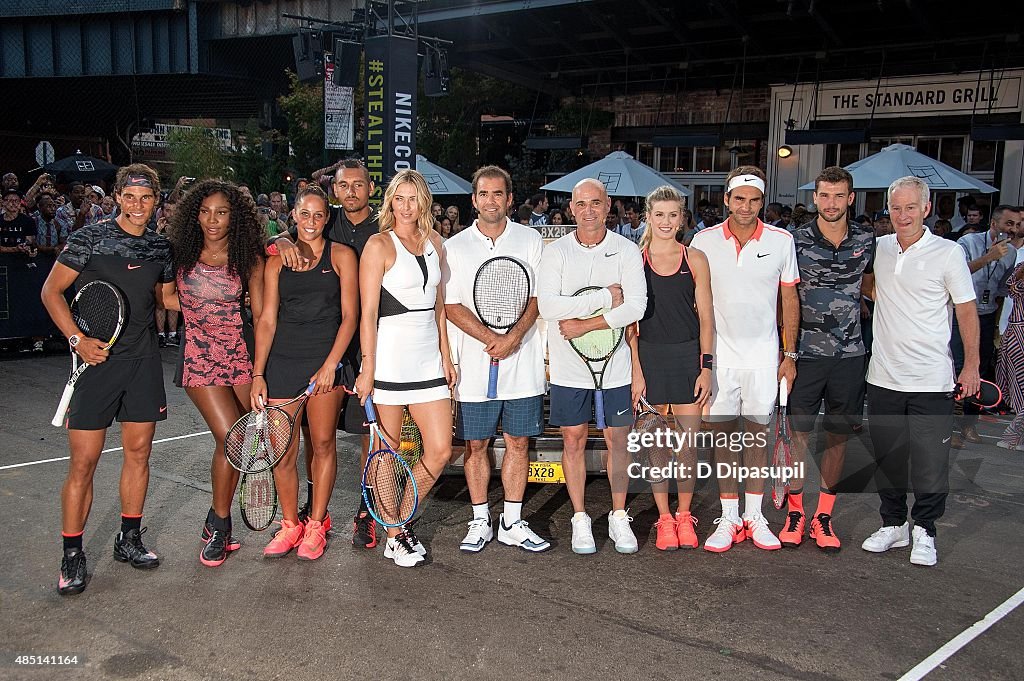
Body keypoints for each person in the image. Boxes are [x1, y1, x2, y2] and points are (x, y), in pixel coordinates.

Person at [40, 164, 175, 596]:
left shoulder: (160, 247)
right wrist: (77, 339)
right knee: (83, 463)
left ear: (157, 200)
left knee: (138, 455)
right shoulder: (89, 238)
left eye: (147, 197)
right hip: (95, 363)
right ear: (118, 196)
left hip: (143, 362)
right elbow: (50, 292)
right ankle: (72, 556)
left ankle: (129, 539)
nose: (138, 205)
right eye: (130, 197)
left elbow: (168, 298)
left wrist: (225, 292)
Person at [861, 176, 979, 567]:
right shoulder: (878, 249)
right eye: (896, 208)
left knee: (930, 462)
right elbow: (867, 286)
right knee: (888, 458)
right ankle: (894, 524)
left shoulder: (948, 253)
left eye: (911, 207)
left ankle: (925, 529)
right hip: (882, 377)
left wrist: (972, 365)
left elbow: (965, 310)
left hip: (932, 379)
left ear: (926, 209)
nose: (903, 215)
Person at [689, 166, 800, 553]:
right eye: (739, 199)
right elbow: (696, 302)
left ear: (762, 202)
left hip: (763, 358)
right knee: (722, 439)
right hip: (719, 360)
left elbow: (789, 300)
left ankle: (755, 515)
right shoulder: (702, 241)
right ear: (727, 199)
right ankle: (729, 515)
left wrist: (789, 354)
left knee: (755, 437)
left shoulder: (782, 241)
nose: (746, 207)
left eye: (754, 200)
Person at [270, 159, 379, 549]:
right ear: (335, 190)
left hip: (372, 338)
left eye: (358, 185)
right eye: (344, 186)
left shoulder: (383, 225)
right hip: (323, 343)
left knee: (369, 431)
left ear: (370, 188)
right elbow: (295, 231)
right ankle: (311, 511)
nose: (351, 192)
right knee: (310, 436)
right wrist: (280, 240)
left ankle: (366, 511)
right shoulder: (325, 219)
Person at [443, 165, 550, 554]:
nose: (491, 201)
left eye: (498, 194)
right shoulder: (454, 247)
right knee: (476, 445)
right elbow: (451, 305)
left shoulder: (531, 239)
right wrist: (492, 338)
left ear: (509, 199)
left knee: (518, 442)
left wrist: (515, 337)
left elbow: (539, 296)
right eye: (484, 194)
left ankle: (512, 521)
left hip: (523, 365)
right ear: (474, 200)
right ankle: (479, 520)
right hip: (474, 366)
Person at [537, 178, 647, 554]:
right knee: (573, 439)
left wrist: (587, 322)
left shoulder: (627, 251)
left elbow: (636, 306)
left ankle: (618, 516)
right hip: (570, 370)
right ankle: (580, 518)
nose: (588, 210)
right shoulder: (556, 252)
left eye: (596, 203)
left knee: (619, 440)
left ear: (608, 205)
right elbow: (549, 307)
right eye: (581, 204)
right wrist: (604, 297)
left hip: (615, 368)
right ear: (571, 208)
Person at [354, 169, 457, 567]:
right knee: (386, 451)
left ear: (423, 202)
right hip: (390, 360)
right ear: (391, 202)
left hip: (429, 359)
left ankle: (397, 516)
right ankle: (395, 535)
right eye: (400, 198)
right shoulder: (379, 245)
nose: (407, 206)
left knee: (441, 449)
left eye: (413, 198)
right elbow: (367, 315)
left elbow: (439, 308)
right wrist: (367, 367)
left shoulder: (435, 242)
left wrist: (447, 357)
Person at [251, 185, 359, 561]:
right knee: (282, 452)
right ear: (293, 215)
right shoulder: (277, 260)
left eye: (318, 215)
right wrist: (258, 373)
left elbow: (350, 317)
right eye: (305, 213)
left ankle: (316, 523)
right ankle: (289, 525)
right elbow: (266, 320)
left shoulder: (342, 256)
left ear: (326, 218)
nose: (311, 221)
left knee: (324, 443)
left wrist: (332, 364)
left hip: (324, 363)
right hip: (282, 363)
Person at [167, 180, 266, 566]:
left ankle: (213, 518)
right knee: (231, 437)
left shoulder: (248, 256)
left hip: (240, 355)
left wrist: (259, 371)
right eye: (205, 211)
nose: (212, 219)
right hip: (199, 358)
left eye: (221, 212)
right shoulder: (178, 253)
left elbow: (259, 316)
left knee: (240, 446)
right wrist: (197, 308)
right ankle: (222, 526)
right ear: (195, 214)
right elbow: (162, 296)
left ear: (234, 217)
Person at [783, 166, 874, 553]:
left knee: (838, 436)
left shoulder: (869, 241)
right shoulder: (794, 241)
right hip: (804, 354)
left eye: (839, 195)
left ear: (850, 198)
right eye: (824, 195)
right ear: (815, 197)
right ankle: (794, 512)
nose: (831, 202)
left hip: (850, 355)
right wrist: (784, 351)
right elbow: (782, 298)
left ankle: (823, 515)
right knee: (798, 436)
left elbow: (876, 287)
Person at [627, 186, 714, 551]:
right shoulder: (635, 260)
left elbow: (707, 320)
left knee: (688, 446)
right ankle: (664, 518)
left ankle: (683, 514)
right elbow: (630, 324)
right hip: (649, 358)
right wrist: (636, 370)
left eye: (673, 215)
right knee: (658, 446)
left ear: (682, 218)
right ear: (648, 216)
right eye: (659, 214)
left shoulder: (695, 259)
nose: (666, 222)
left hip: (686, 359)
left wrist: (706, 367)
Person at [951, 205, 1019, 447]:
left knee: (978, 370)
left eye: (1017, 225)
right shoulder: (967, 242)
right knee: (959, 367)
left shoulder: (1011, 253)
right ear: (994, 223)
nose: (1013, 229)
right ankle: (950, 426)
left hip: (987, 315)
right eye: (1009, 223)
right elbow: (957, 272)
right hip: (961, 313)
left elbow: (1002, 289)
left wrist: (999, 323)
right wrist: (988, 257)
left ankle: (968, 425)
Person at [997, 261, 1024, 449]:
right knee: (1019, 390)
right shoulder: (1020, 268)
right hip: (1018, 336)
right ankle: (1014, 436)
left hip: (1017, 334)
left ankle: (1014, 436)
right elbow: (1013, 288)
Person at [155, 199, 181, 348]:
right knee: (160, 302)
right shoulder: (154, 226)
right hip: (160, 268)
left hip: (176, 266)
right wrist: (159, 231)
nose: (170, 214)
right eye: (167, 210)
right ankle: (160, 334)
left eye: (173, 210)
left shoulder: (181, 228)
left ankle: (172, 333)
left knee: (173, 300)